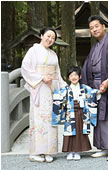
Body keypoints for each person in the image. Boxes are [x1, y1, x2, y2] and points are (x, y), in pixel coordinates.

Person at [81, 15, 108, 161]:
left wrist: (107, 81)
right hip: (95, 85)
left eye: (96, 26)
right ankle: (102, 148)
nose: (94, 29)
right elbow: (88, 66)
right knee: (98, 117)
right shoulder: (95, 47)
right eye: (91, 28)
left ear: (103, 26)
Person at [21, 27, 67, 162]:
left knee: (51, 118)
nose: (50, 39)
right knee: (38, 119)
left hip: (51, 87)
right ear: (41, 36)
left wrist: (64, 87)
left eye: (53, 38)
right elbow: (25, 68)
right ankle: (35, 153)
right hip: (39, 87)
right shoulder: (34, 50)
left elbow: (57, 73)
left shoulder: (53, 54)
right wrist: (41, 78)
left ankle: (48, 151)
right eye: (48, 36)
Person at [52, 66, 100, 160]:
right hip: (70, 114)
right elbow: (59, 97)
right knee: (70, 133)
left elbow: (92, 93)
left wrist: (98, 91)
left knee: (79, 132)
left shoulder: (84, 88)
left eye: (75, 75)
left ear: (80, 76)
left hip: (81, 113)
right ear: (68, 78)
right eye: (71, 75)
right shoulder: (65, 89)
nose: (73, 77)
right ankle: (70, 152)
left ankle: (77, 151)